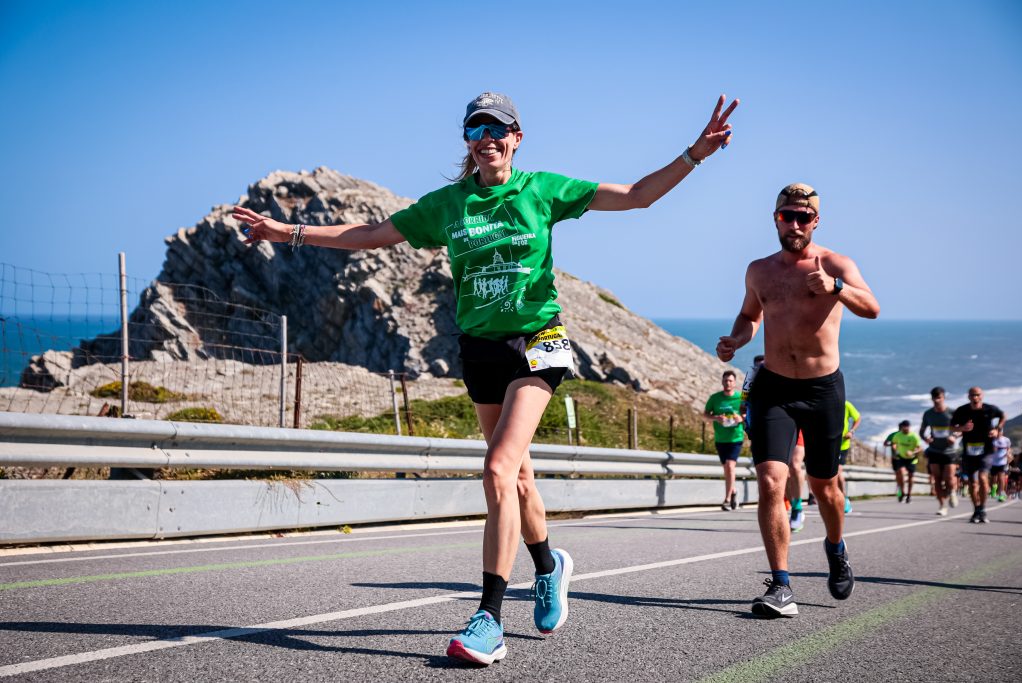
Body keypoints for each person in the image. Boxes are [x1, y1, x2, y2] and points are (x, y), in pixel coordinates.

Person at [234, 91, 739, 664]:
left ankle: (489, 620)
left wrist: (695, 154)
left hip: (538, 343)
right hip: (479, 350)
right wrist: (284, 232)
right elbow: (371, 234)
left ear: (516, 138)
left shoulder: (542, 190)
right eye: (477, 130)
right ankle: (549, 566)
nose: (488, 139)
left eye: (499, 130)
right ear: (468, 142)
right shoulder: (448, 205)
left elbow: (638, 197)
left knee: (497, 469)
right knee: (517, 481)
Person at [717, 182, 880, 618]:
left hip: (822, 389)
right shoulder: (759, 270)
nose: (794, 224)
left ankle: (835, 546)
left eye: (803, 217)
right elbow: (750, 315)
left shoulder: (835, 263)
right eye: (787, 215)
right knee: (772, 480)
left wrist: (835, 287)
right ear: (775, 219)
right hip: (774, 388)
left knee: (825, 487)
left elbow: (872, 307)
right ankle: (781, 585)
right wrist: (735, 338)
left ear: (816, 221)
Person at [951, 387, 1005, 524]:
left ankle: (983, 508)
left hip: (986, 449)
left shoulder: (990, 409)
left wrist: (996, 430)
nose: (975, 398)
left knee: (982, 477)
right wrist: (962, 428)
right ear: (968, 397)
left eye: (978, 395)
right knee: (972, 483)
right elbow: (951, 426)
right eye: (972, 395)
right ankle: (977, 509)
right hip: (969, 450)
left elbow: (1003, 416)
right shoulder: (961, 411)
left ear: (982, 396)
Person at [705, 370, 745, 511]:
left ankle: (727, 499)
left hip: (736, 437)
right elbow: (706, 414)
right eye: (725, 380)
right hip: (720, 438)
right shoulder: (715, 398)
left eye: (730, 380)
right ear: (722, 382)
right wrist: (716, 418)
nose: (728, 383)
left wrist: (741, 418)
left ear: (734, 383)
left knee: (730, 466)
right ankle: (733, 491)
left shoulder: (740, 398)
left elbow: (748, 413)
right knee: (726, 469)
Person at [920, 386, 959, 515]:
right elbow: (921, 431)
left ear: (944, 397)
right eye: (935, 398)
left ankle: (952, 491)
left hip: (949, 451)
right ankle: (943, 506)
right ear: (932, 399)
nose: (937, 400)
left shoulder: (952, 413)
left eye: (939, 397)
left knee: (949, 478)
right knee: (936, 479)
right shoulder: (928, 414)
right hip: (934, 450)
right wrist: (926, 439)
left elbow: (962, 429)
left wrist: (954, 436)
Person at [890, 420, 923, 503]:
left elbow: (919, 448)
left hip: (912, 458)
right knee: (900, 473)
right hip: (901, 457)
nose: (905, 429)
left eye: (906, 428)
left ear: (909, 427)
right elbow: (893, 443)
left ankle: (909, 494)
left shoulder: (914, 436)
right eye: (903, 428)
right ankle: (902, 491)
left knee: (910, 476)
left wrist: (913, 452)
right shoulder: (898, 435)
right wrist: (895, 448)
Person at [838, 400, 861, 513]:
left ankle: (844, 498)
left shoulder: (846, 404)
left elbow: (858, 418)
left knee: (837, 473)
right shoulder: (824, 401)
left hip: (842, 445)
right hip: (827, 444)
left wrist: (851, 431)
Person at [789, 431, 807, 531]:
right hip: (777, 424)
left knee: (795, 466)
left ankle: (797, 508)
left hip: (798, 426)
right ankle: (793, 506)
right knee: (785, 472)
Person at [989, 426, 1011, 502]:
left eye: (1000, 431)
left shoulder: (1006, 440)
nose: (999, 433)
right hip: (993, 462)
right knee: (993, 478)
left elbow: (1008, 448)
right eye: (998, 431)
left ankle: (1001, 494)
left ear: (1002, 432)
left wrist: (1007, 454)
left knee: (1001, 477)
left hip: (1002, 462)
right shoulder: (992, 439)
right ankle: (994, 489)